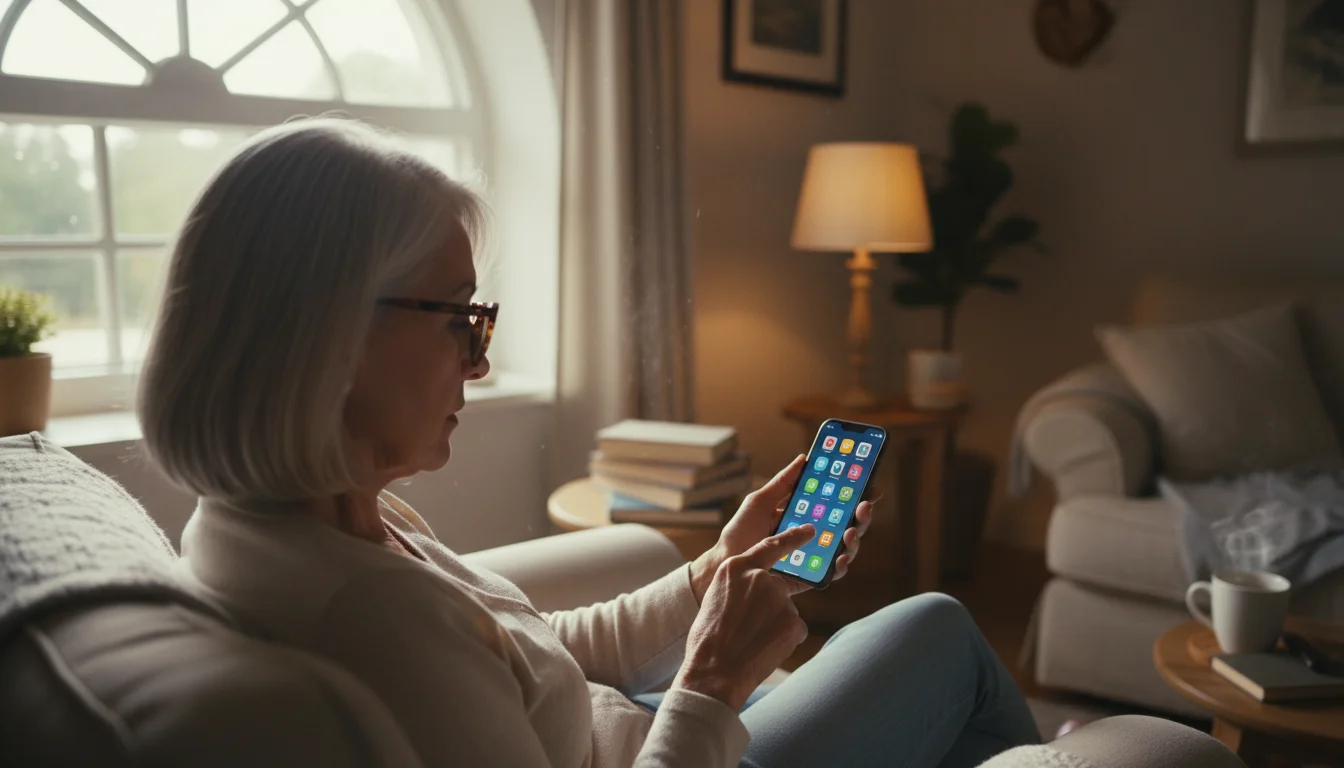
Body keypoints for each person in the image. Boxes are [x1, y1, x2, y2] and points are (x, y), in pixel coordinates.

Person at [146, 118, 1039, 767]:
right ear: (328, 333)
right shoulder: (367, 620)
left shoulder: (329, 517)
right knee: (939, 629)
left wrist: (712, 575)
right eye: (458, 318)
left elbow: (534, 650)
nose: (477, 361)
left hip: (639, 725)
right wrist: (712, 681)